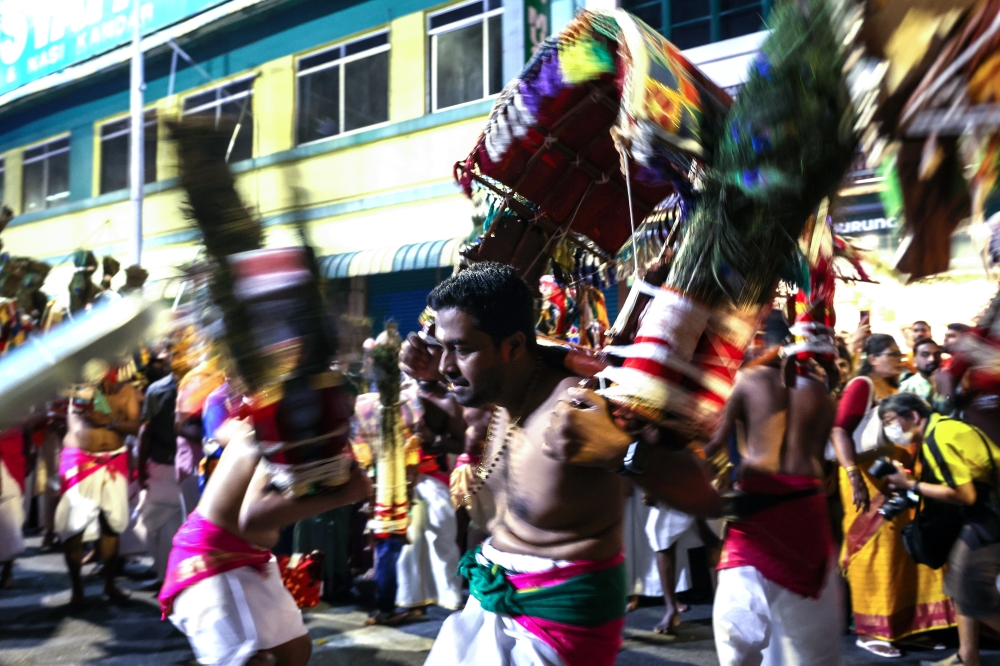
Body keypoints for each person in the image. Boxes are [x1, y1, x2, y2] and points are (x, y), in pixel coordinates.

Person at [159, 417, 372, 666]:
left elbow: (226, 432)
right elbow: (253, 519)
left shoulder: (266, 427)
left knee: (295, 649)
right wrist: (344, 495)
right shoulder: (275, 430)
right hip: (215, 566)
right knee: (257, 659)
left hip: (247, 560)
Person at [700, 313, 842, 665]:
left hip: (757, 501)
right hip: (807, 502)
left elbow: (715, 443)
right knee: (806, 623)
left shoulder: (747, 380)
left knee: (739, 623)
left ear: (764, 341)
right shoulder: (825, 397)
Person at [831, 334, 955, 657]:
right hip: (867, 481)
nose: (899, 358)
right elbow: (839, 429)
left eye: (900, 353)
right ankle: (870, 631)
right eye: (891, 353)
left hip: (893, 478)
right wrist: (853, 474)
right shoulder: (862, 385)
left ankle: (905, 627)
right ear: (872, 358)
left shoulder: (894, 386)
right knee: (874, 551)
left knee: (901, 552)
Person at [877, 393, 1000, 666]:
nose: (889, 430)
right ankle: (967, 657)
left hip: (990, 512)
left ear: (913, 416)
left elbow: (963, 494)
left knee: (971, 591)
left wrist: (910, 485)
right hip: (986, 509)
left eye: (890, 421)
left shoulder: (938, 438)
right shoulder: (945, 427)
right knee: (959, 582)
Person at [56, 370, 141, 605]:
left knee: (111, 526)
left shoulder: (127, 391)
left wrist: (111, 421)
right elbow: (72, 415)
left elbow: (136, 426)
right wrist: (90, 391)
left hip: (115, 459)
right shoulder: (77, 387)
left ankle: (110, 584)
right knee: (73, 528)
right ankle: (77, 589)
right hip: (81, 460)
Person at [135, 347, 186, 590]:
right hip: (163, 466)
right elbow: (145, 432)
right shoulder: (157, 391)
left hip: (187, 468)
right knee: (158, 526)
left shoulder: (202, 387)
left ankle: (176, 579)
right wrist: (141, 466)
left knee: (179, 526)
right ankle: (164, 577)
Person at [0, 426, 27, 589]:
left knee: (13, 519)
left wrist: (28, 451)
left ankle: (7, 572)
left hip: (12, 457)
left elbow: (26, 424)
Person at [899, 339, 945, 410]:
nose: (932, 359)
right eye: (925, 355)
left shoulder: (951, 382)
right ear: (914, 360)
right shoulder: (906, 387)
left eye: (937, 354)